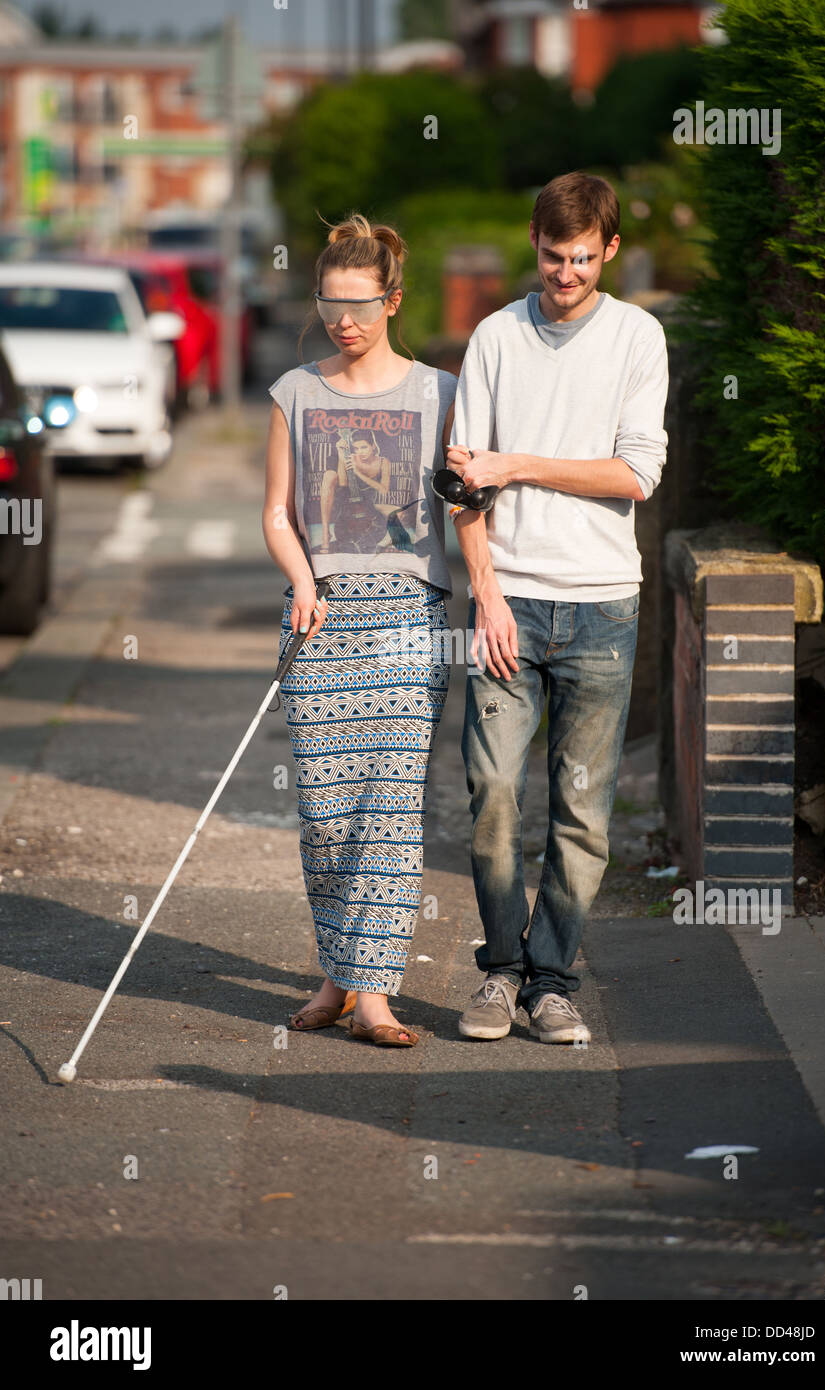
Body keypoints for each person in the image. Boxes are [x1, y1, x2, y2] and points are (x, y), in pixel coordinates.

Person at [446, 171, 669, 1044]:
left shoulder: (637, 338)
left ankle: (551, 982)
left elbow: (635, 474)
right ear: (532, 244)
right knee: (493, 788)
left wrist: (520, 463)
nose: (564, 273)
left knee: (582, 809)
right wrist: (486, 596)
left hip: (603, 607)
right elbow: (465, 483)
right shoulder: (496, 337)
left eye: (580, 258)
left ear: (608, 250)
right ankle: (498, 974)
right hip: (510, 602)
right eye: (550, 256)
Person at [263, 213, 456, 1046]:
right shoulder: (294, 391)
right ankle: (337, 976)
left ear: (393, 300)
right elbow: (275, 511)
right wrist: (303, 581)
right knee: (328, 812)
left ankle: (375, 993)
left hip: (410, 622)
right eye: (330, 303)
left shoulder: (438, 393)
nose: (344, 320)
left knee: (390, 812)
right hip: (322, 614)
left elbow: (469, 505)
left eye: (360, 303)